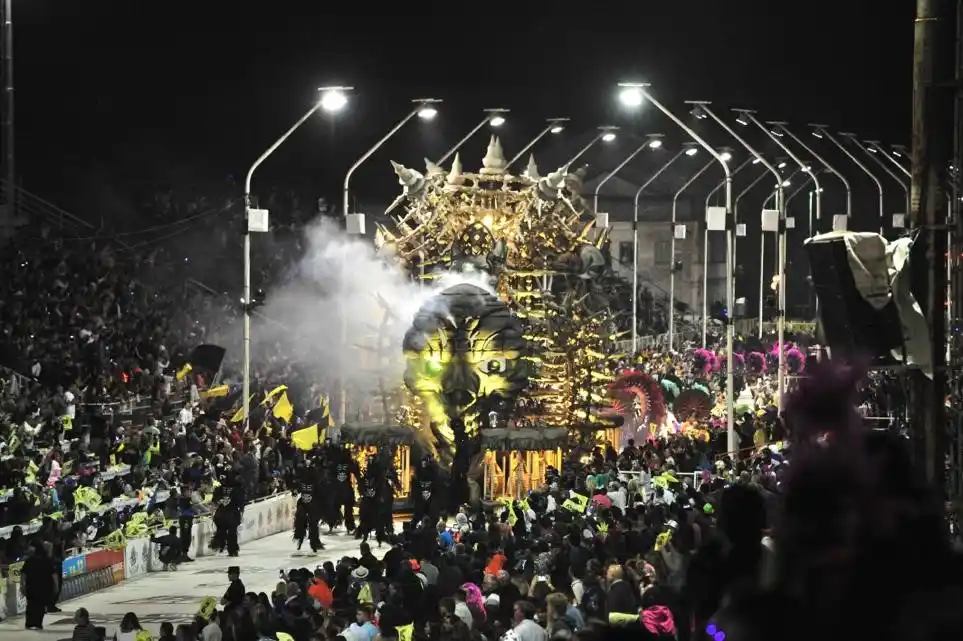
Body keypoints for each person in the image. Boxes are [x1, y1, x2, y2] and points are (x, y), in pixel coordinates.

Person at [21, 540, 56, 631]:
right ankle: (38, 623)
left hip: (31, 587)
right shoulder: (46, 560)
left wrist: (22, 586)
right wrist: (55, 586)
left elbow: (23, 574)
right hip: (44, 587)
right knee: (40, 606)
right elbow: (53, 574)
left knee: (31, 605)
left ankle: (30, 623)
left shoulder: (29, 561)